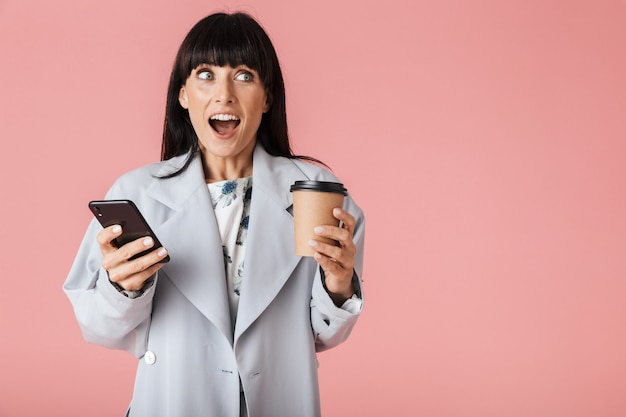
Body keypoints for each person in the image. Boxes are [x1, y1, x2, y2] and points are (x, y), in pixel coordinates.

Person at [63, 11, 365, 417]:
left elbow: (323, 334)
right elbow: (97, 327)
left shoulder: (317, 193)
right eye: (206, 74)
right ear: (183, 95)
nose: (224, 94)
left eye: (244, 75)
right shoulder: (137, 194)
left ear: (267, 97)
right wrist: (122, 288)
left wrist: (339, 285)